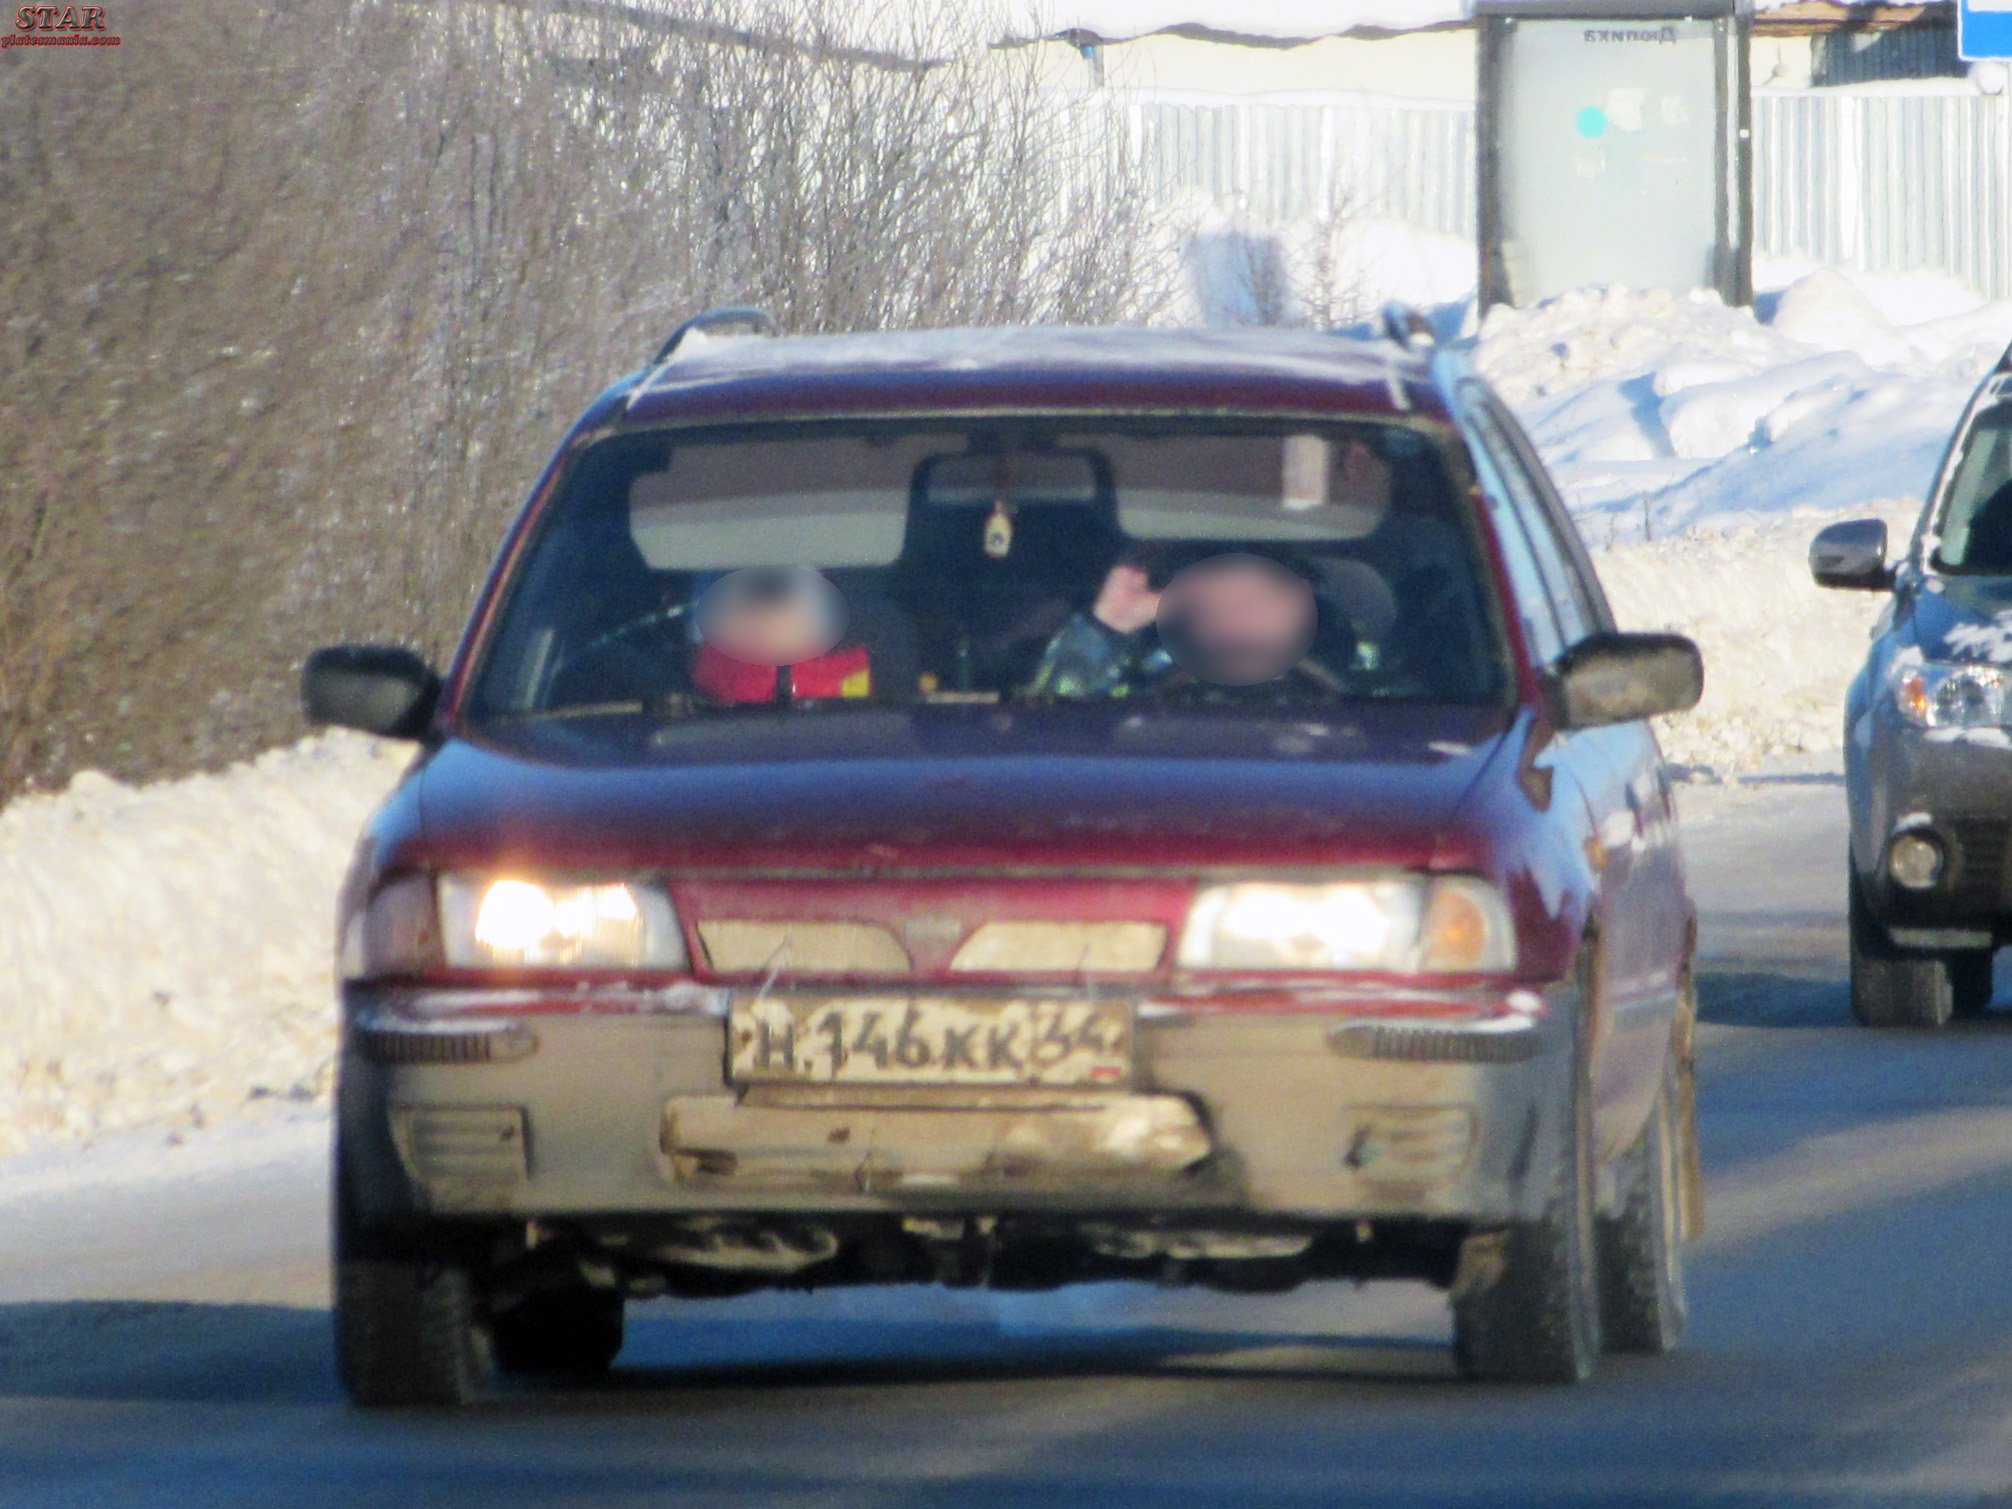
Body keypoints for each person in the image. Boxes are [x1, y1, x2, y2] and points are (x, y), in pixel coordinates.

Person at [1023, 549, 1320, 699]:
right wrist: (1109, 625)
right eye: (1215, 604)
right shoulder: (1146, 695)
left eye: (1259, 601)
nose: (1238, 619)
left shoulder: (1350, 707)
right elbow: (1048, 738)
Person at [690, 566, 873, 704]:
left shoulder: (848, 673)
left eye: (778, 608)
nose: (762, 623)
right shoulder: (713, 667)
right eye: (744, 612)